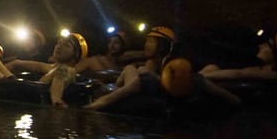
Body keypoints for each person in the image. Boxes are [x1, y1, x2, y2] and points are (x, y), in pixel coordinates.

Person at [84, 55, 242, 111]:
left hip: (150, 80)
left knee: (139, 70)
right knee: (133, 69)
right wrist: (89, 108)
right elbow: (111, 98)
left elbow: (230, 98)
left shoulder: (196, 81)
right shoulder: (144, 83)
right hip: (137, 80)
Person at [200, 32, 277, 81]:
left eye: (267, 45)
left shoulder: (272, 74)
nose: (261, 46)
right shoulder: (263, 66)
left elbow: (239, 73)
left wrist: (198, 77)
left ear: (276, 55)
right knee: (212, 67)